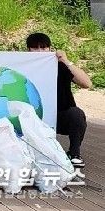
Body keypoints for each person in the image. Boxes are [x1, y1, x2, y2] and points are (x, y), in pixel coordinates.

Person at [26, 33, 91, 168]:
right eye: (35, 48)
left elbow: (86, 83)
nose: (40, 51)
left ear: (50, 48)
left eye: (44, 48)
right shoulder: (25, 67)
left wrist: (66, 61)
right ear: (28, 50)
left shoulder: (60, 66)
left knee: (76, 114)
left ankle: (74, 154)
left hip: (60, 116)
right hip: (32, 117)